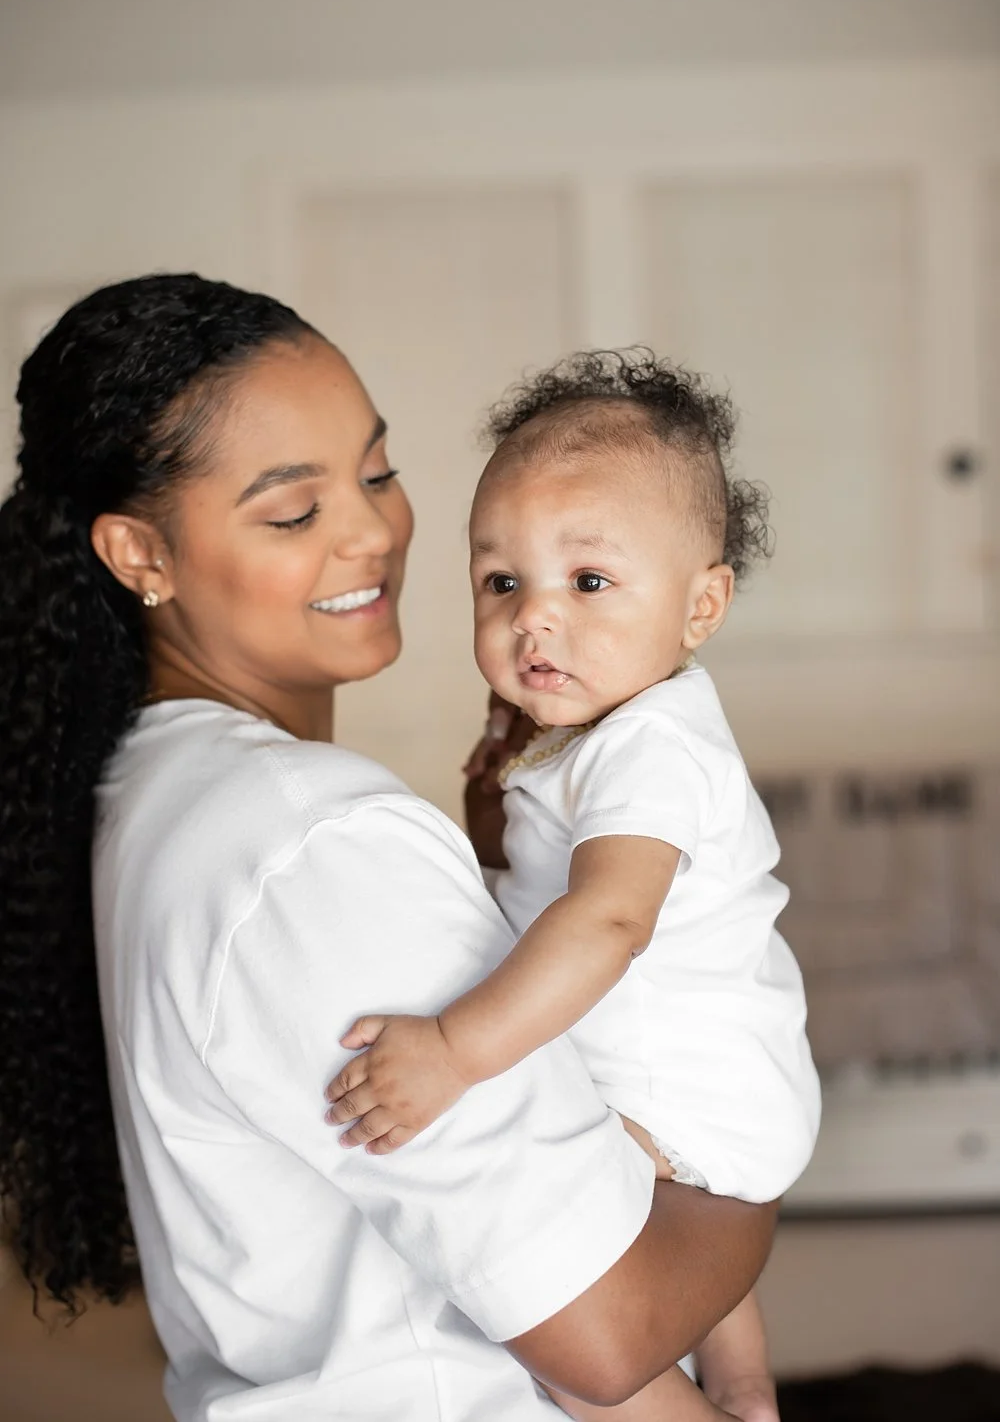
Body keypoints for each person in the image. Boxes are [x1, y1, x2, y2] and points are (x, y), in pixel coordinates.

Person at [0, 279, 775, 1422]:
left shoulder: (149, 790)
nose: (372, 532)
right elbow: (607, 1335)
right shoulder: (312, 837)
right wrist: (756, 1157)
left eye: (376, 471)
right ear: (140, 555)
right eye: (291, 512)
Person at [326, 352, 822, 1419]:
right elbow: (533, 878)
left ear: (701, 606)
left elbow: (606, 918)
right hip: (712, 1100)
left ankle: (709, 1398)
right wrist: (491, 806)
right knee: (660, 1246)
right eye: (502, 582)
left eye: (588, 582)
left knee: (559, 1293)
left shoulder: (652, 748)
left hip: (685, 1097)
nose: (534, 618)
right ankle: (744, 1388)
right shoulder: (598, 732)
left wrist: (457, 1052)